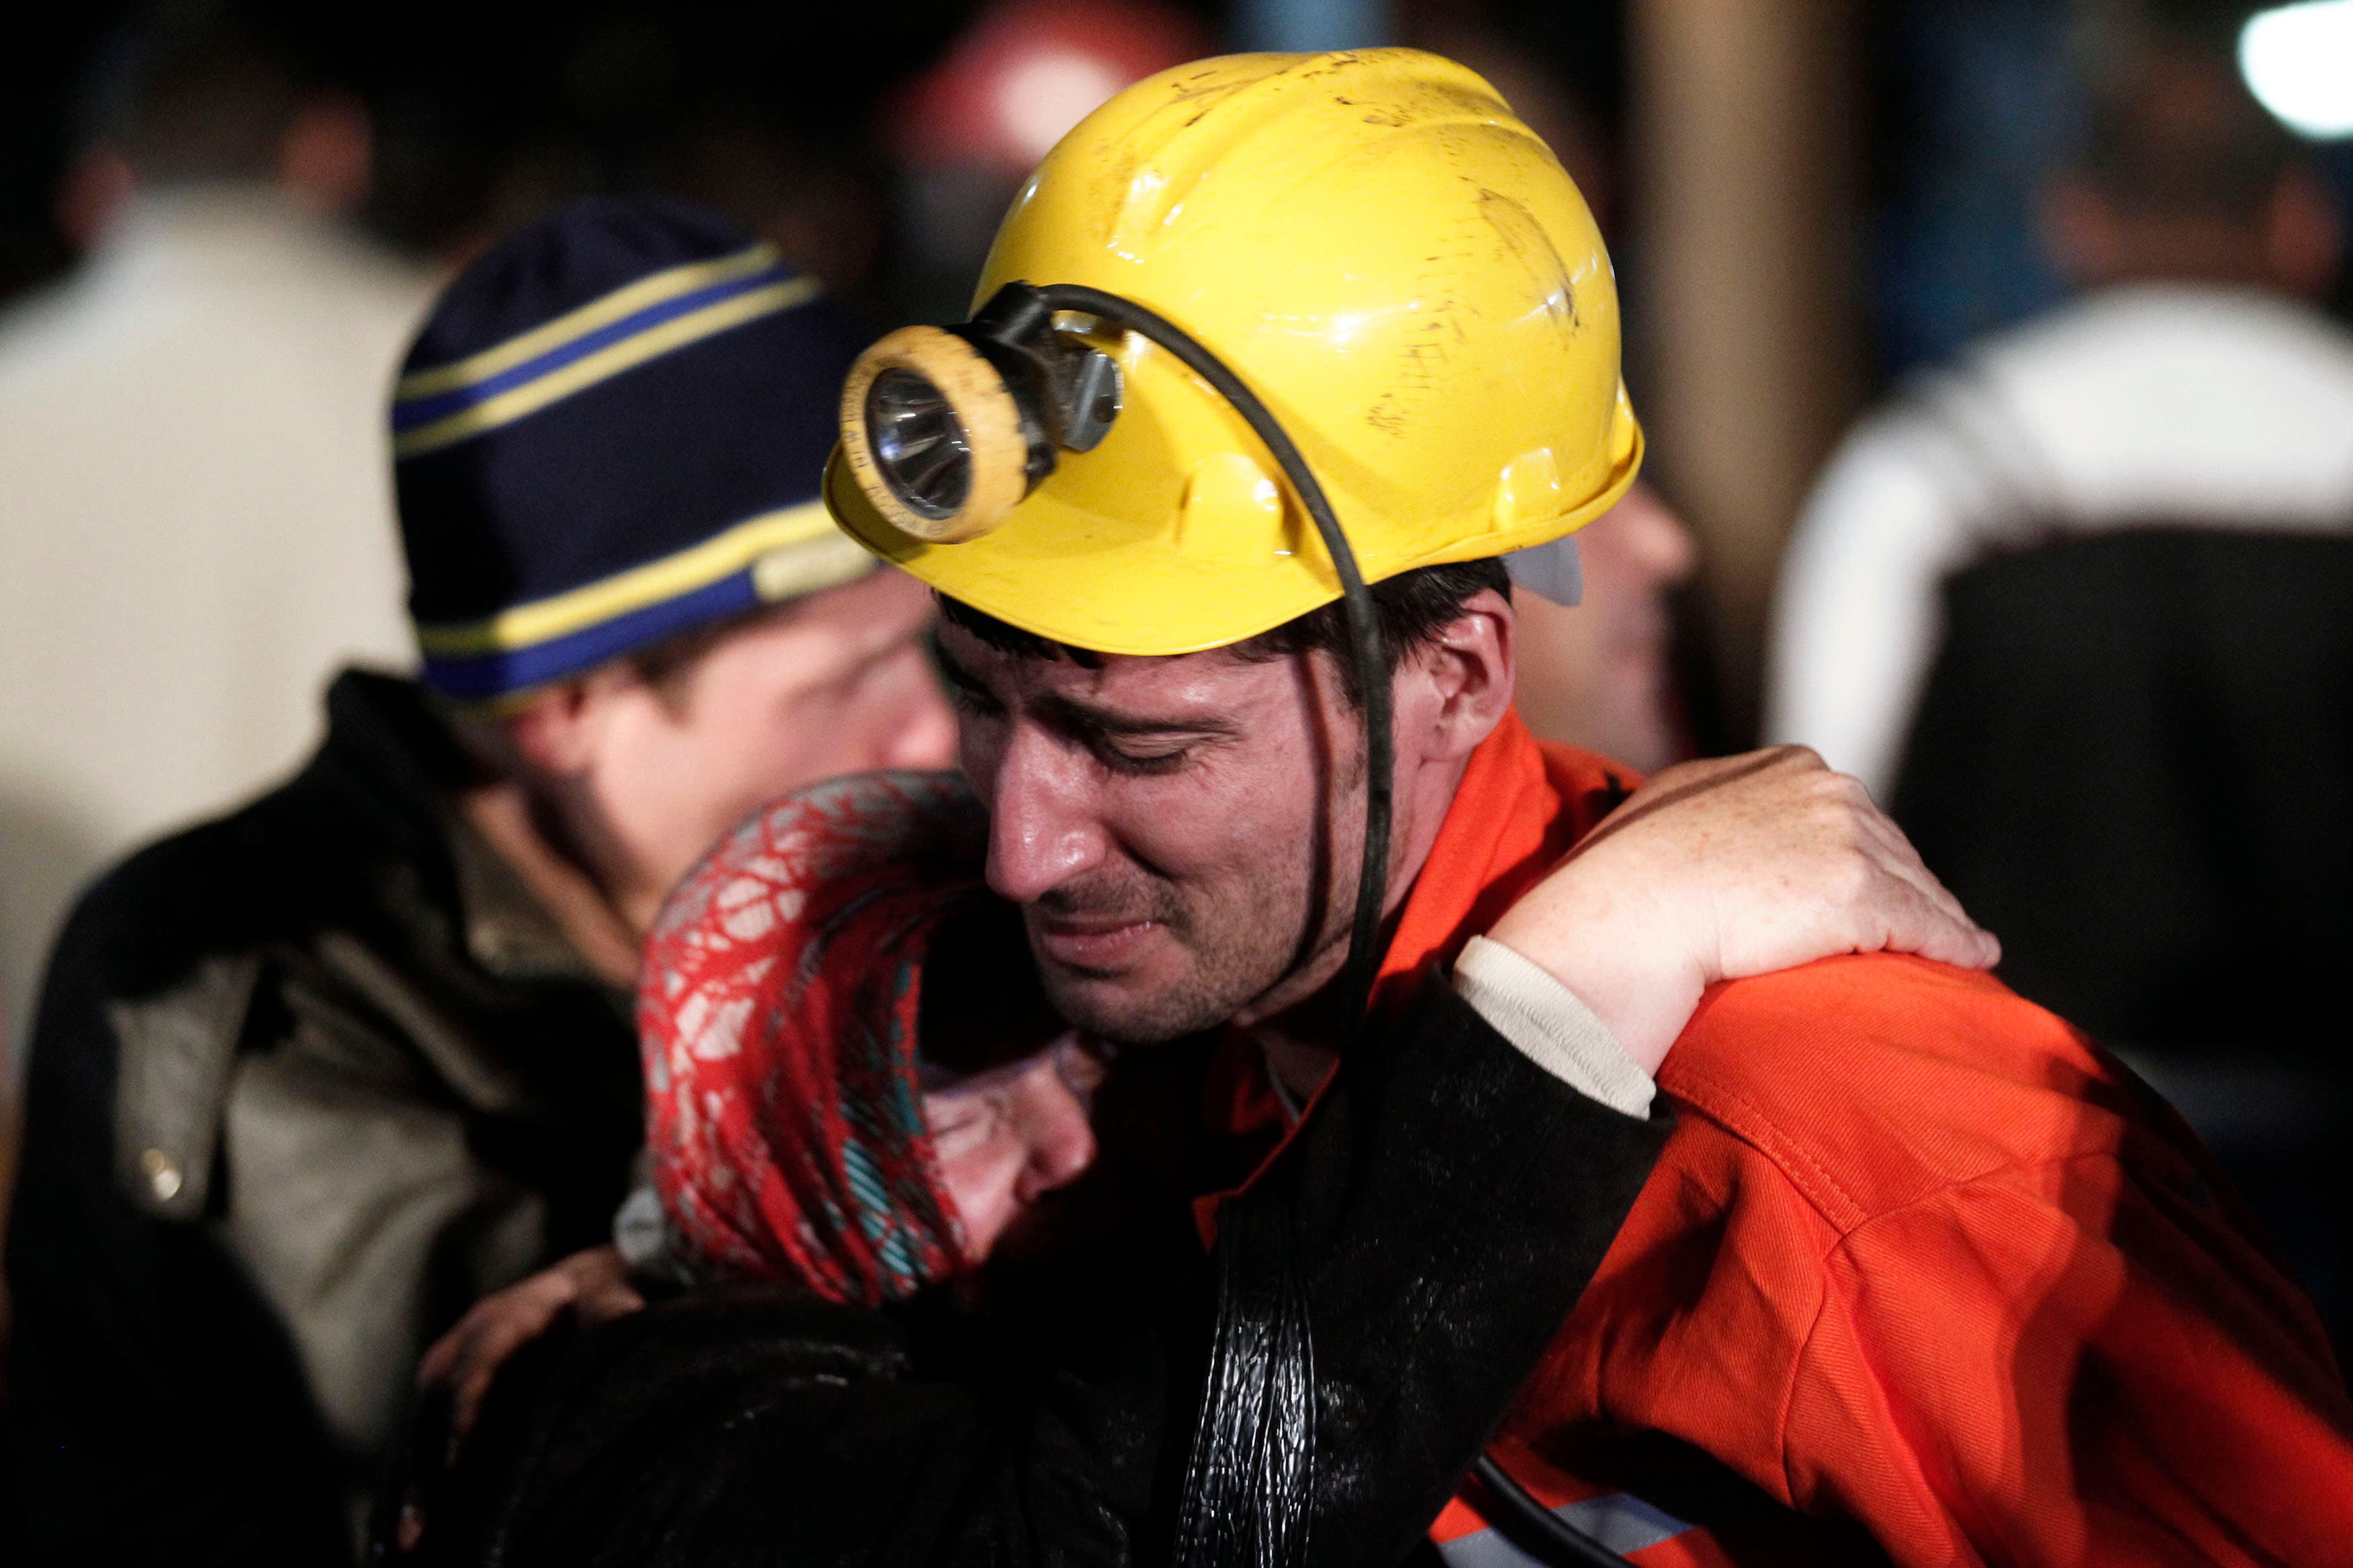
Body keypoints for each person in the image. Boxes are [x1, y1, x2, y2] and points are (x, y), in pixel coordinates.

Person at [807, 50, 2349, 1565]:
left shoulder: (1846, 1141)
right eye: (984, 708)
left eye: (1142, 750)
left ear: (1462, 672)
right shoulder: (1184, 1062)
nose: (1023, 849)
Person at [394, 749, 1995, 1567]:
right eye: (936, 1113)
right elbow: (1122, 1534)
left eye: (1084, 1056)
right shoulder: (631, 1432)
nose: (1063, 1144)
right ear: (763, 1139)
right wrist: (1574, 978)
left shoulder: (1081, 1291)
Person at [2, 198, 957, 1565]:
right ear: (563, 708)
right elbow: (589, 1485)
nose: (925, 733)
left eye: (920, 650)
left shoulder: (833, 902)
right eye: (844, 677)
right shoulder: (239, 988)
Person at [1763, 38, 2353, 1342]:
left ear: (2072, 221)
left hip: (2028, 1170)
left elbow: (1811, 830)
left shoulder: (1936, 470)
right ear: (2301, 221)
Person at [0, 3, 432, 1050]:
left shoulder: (15, 392)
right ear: (334, 148)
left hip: (38, 1073)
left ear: (102, 183)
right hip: (373, 1067)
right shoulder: (450, 366)